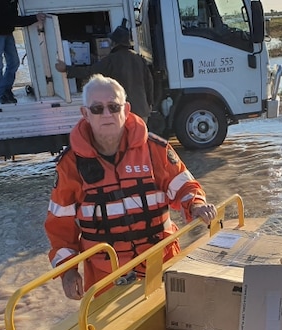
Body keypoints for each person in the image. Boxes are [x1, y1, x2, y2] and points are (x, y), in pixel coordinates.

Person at [45, 74, 216, 300]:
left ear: (125, 109)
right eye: (97, 109)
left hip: (162, 261)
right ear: (85, 114)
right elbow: (60, 226)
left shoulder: (156, 149)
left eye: (113, 107)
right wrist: (67, 272)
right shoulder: (70, 165)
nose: (107, 114)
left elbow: (184, 186)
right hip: (106, 277)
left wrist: (196, 205)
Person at [55, 23, 155, 123]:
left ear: (115, 43)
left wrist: (67, 69)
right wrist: (149, 103)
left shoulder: (111, 60)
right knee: (140, 138)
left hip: (122, 112)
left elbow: (90, 72)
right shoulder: (139, 59)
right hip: (141, 111)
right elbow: (149, 83)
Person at [0, 0, 45, 104]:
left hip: (7, 32)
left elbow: (11, 18)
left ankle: (7, 89)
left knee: (14, 62)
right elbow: (8, 19)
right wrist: (34, 18)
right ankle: (1, 94)